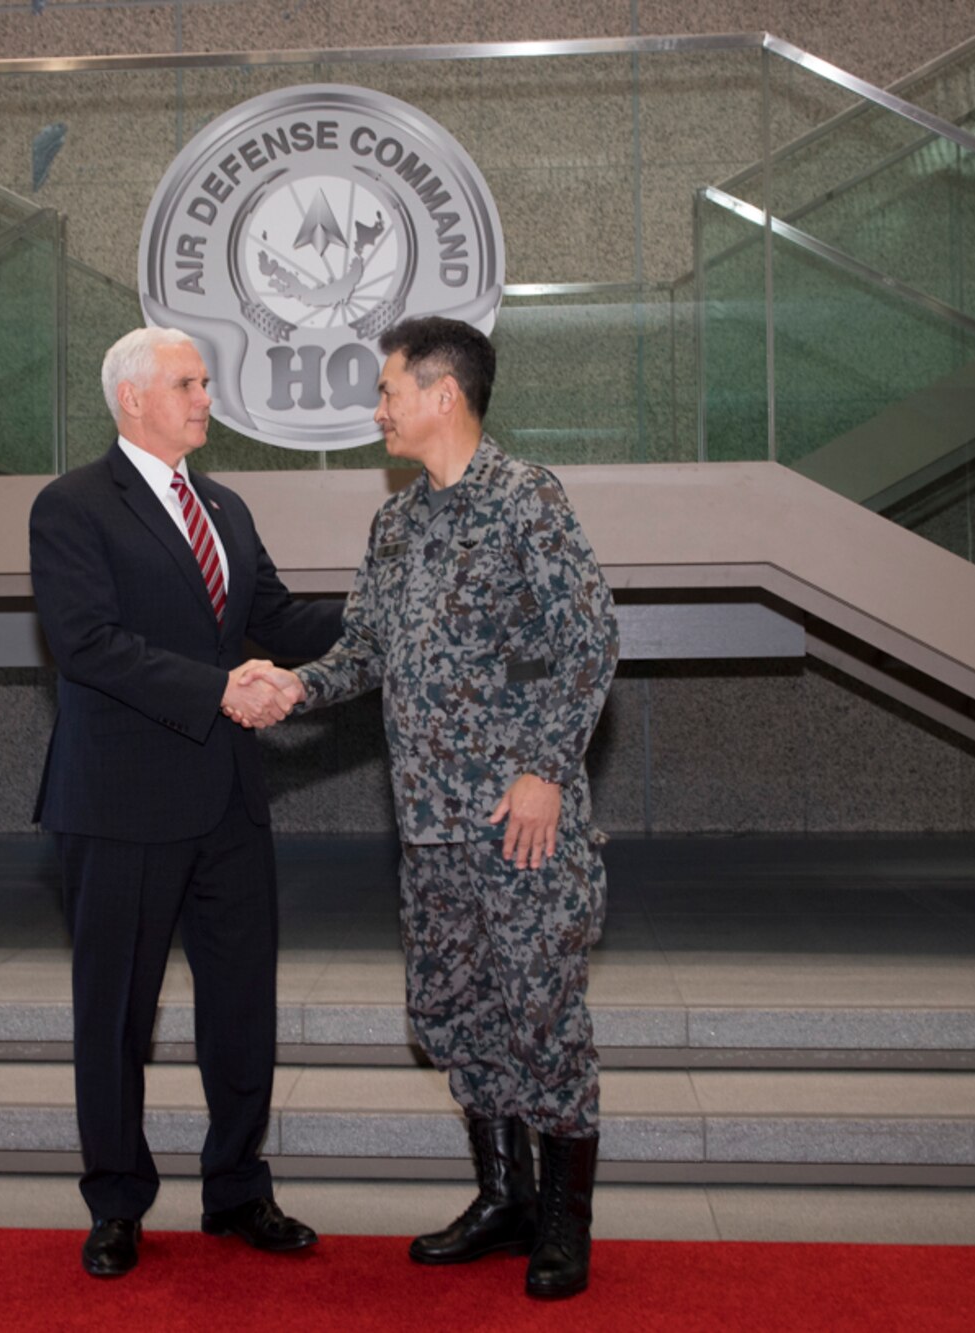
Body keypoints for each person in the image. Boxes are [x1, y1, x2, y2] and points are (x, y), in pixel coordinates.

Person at [243, 316, 619, 1300]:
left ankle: (564, 1223)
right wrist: (292, 686)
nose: (377, 410)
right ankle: (504, 1200)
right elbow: (363, 652)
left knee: (543, 1017)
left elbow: (589, 641)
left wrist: (544, 767)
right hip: (430, 827)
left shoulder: (525, 500)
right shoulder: (395, 525)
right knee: (456, 1015)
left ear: (441, 394)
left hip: (518, 824)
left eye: (388, 392)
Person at [29, 326, 342, 1279]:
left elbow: (275, 620)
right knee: (115, 1016)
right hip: (120, 803)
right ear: (132, 398)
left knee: (243, 1007)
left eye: (205, 381)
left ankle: (238, 1188)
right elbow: (87, 643)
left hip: (230, 803)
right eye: (189, 382)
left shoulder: (226, 505)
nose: (208, 396)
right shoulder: (72, 506)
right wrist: (219, 689)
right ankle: (117, 1202)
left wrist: (392, 604)